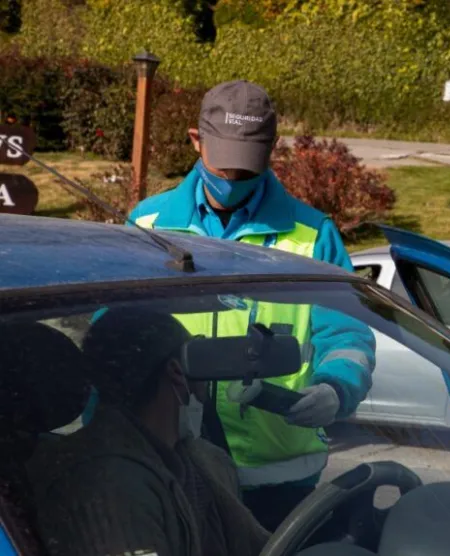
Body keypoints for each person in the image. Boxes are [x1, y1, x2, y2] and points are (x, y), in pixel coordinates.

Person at [126, 80, 377, 530]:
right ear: (195, 140)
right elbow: (115, 336)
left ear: (271, 148)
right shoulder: (147, 225)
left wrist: (336, 388)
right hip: (169, 460)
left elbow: (348, 332)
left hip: (281, 477)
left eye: (246, 169)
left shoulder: (312, 233)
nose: (233, 180)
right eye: (223, 168)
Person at [28, 310, 271, 556]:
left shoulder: (204, 459)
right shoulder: (110, 487)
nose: (207, 382)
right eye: (200, 359)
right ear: (177, 372)